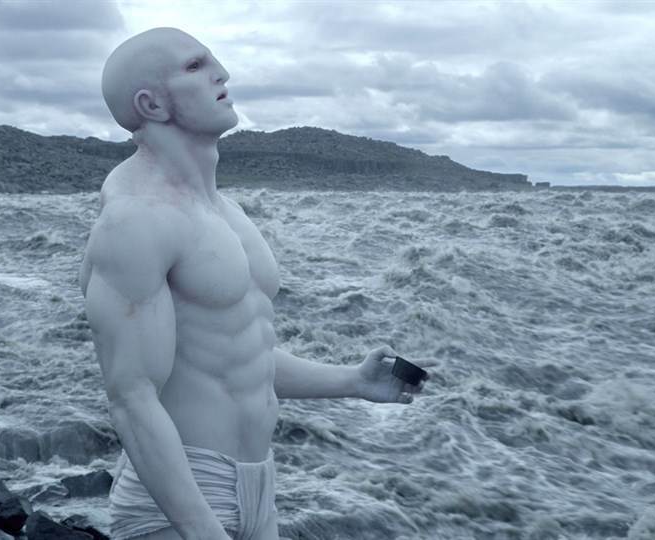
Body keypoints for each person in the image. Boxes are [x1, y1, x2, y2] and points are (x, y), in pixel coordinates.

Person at [79, 27, 433, 540]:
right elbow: (132, 399)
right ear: (150, 104)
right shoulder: (134, 220)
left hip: (257, 485)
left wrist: (352, 381)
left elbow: (233, 355)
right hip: (182, 498)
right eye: (195, 66)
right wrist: (201, 529)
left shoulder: (226, 212)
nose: (222, 73)